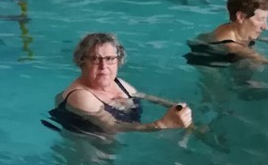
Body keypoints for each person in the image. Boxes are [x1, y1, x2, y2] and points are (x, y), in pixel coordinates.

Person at [52, 33, 192, 134]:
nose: (103, 66)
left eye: (109, 59)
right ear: (82, 62)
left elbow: (143, 96)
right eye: (95, 59)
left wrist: (178, 108)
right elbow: (113, 127)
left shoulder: (118, 83)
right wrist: (161, 124)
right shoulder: (81, 96)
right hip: (90, 147)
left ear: (118, 61)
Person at [186, 0, 268, 70]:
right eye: (260, 19)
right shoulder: (231, 45)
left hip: (211, 48)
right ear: (241, 17)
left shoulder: (237, 28)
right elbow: (264, 61)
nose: (266, 27)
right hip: (209, 59)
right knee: (254, 67)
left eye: (265, 19)